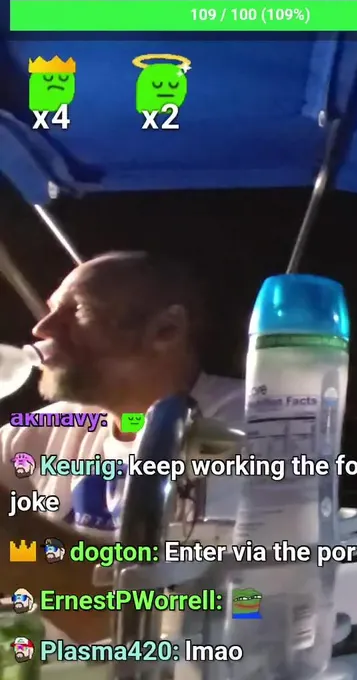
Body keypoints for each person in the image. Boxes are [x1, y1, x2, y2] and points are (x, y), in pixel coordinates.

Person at [0, 251, 244, 642]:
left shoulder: (241, 430)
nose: (43, 328)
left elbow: (157, 619)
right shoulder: (40, 432)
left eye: (78, 310)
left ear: (166, 330)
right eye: (50, 310)